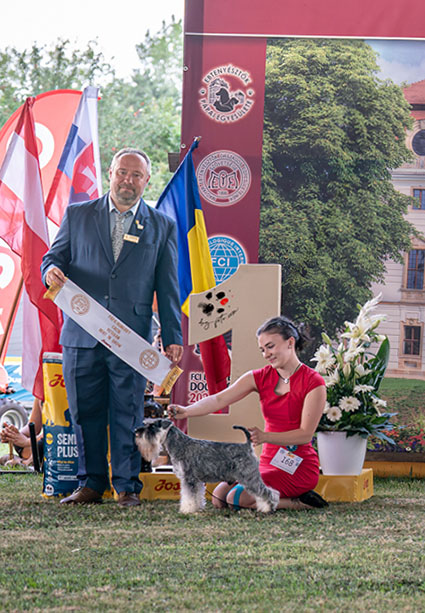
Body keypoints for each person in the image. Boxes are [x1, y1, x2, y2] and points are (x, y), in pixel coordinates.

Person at [41, 148, 183, 507]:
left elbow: (168, 287)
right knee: (83, 412)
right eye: (122, 172)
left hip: (131, 339)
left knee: (128, 413)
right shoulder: (77, 215)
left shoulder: (162, 225)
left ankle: (127, 487)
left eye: (136, 175)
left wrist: (172, 336)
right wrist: (50, 271)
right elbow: (54, 257)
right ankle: (90, 484)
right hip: (81, 335)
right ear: (110, 174)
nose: (127, 181)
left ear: (146, 181)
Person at [168, 316, 328, 510]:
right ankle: (279, 496)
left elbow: (305, 435)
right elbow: (219, 399)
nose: (266, 354)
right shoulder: (259, 376)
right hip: (268, 461)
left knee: (238, 498)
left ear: (290, 342)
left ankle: (302, 502)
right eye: (262, 349)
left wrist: (265, 436)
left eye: (270, 346)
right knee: (219, 498)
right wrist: (186, 411)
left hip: (297, 466)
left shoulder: (313, 381)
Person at [0, 398, 43, 466]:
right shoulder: (40, 393)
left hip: (56, 443)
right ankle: (25, 460)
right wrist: (14, 435)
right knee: (21, 445)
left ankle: (25, 462)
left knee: (41, 444)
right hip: (34, 449)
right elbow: (33, 427)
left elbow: (55, 432)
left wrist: (26, 441)